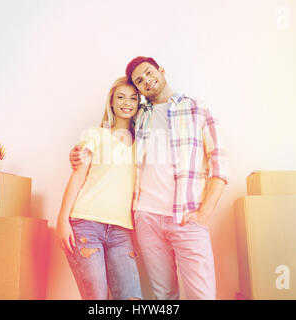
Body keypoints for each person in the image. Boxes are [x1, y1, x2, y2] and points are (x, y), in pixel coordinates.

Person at [70, 57, 229, 300]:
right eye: (139, 81)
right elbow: (110, 144)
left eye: (149, 73)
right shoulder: (139, 115)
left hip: (187, 218)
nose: (147, 81)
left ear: (161, 70)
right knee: (163, 296)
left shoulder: (198, 108)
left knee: (202, 295)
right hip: (146, 219)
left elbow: (219, 165)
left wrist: (204, 214)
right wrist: (77, 154)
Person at [56, 76, 142, 300]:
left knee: (132, 298)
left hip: (122, 231)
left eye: (133, 98)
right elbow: (78, 176)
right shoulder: (94, 134)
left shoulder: (143, 141)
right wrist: (62, 220)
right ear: (111, 102)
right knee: (97, 299)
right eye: (121, 97)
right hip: (85, 225)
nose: (127, 103)